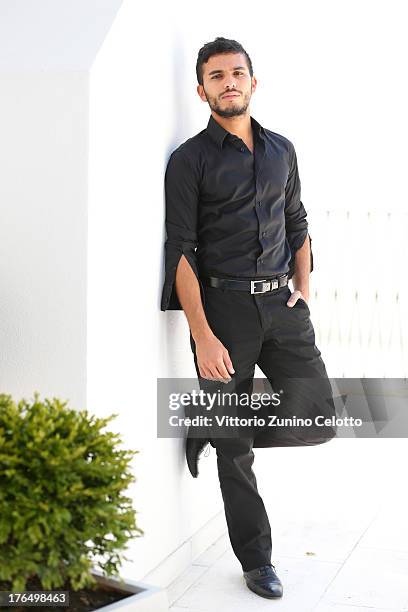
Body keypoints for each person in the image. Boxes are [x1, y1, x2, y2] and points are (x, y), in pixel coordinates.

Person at [161, 36, 336, 599]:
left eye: (237, 73)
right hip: (224, 310)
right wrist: (203, 335)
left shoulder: (282, 149)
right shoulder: (190, 160)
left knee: (317, 416)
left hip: (281, 307)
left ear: (253, 83)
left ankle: (211, 422)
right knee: (236, 453)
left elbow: (297, 219)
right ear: (201, 89)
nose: (228, 82)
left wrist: (304, 287)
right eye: (216, 76)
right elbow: (181, 251)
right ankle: (256, 559)